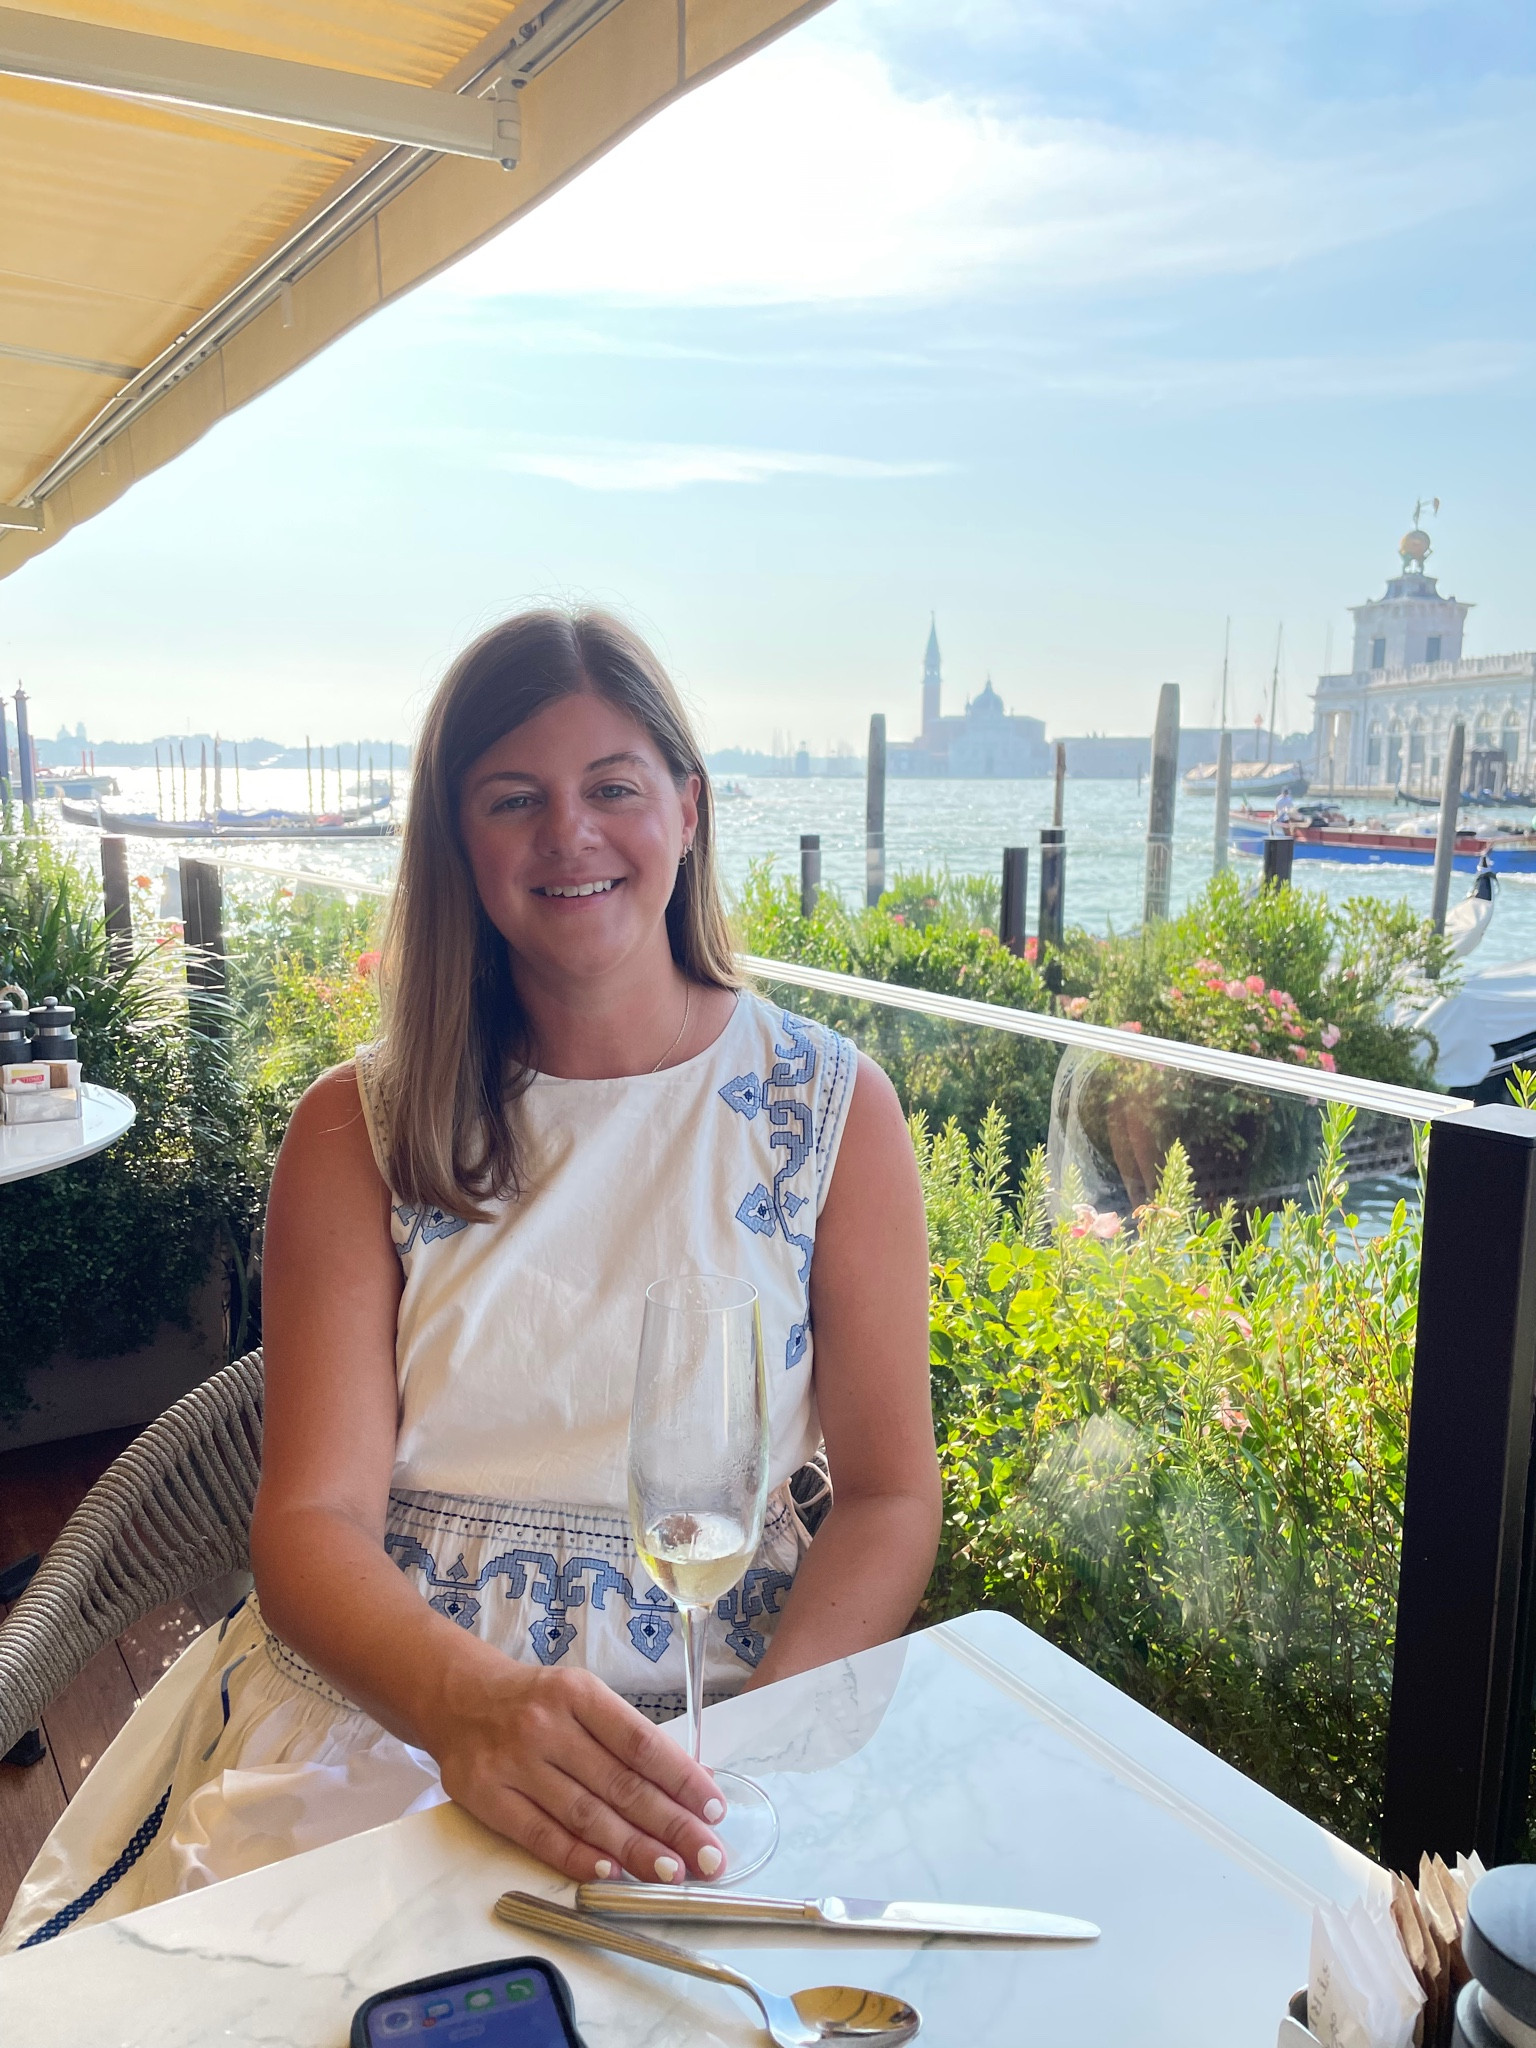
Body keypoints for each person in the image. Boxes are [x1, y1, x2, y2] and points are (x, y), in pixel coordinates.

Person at [2, 610, 940, 1950]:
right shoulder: (358, 1129)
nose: (572, 835)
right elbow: (311, 1522)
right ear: (458, 843)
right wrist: (468, 1710)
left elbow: (892, 1492)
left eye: (613, 787)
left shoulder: (837, 1116)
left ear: (688, 808)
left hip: (724, 1700)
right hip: (386, 1710)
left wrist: (757, 1752)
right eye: (515, 800)